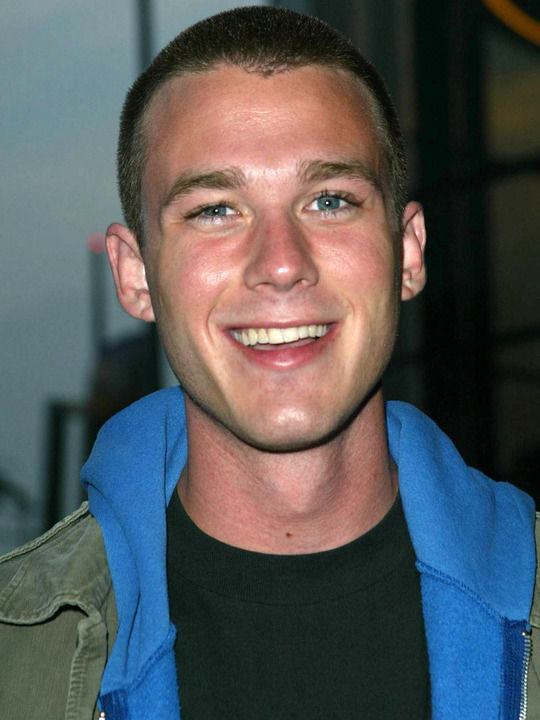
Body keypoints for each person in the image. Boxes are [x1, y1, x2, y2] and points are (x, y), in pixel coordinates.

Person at [0, 6, 538, 719]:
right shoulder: (17, 658)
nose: (281, 264)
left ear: (408, 253)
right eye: (215, 210)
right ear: (135, 276)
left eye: (329, 200)